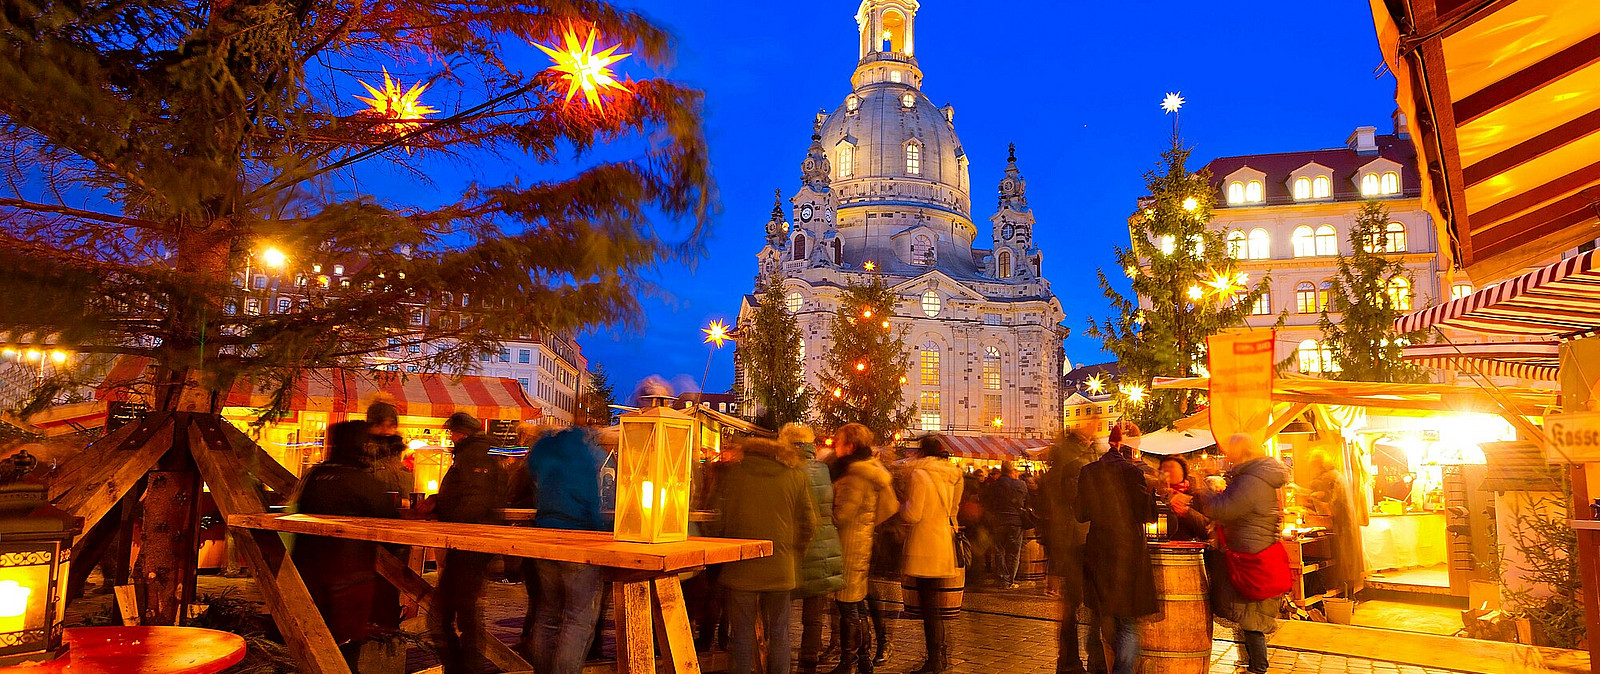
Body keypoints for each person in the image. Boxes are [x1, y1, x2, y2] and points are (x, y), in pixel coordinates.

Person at [1171, 434, 1291, 674]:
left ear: (1242, 452)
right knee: (1247, 616)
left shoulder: (1251, 480)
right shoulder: (1254, 476)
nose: (1227, 455)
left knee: (1252, 618)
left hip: (1250, 556)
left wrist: (1201, 489)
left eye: (1230, 451)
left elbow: (1222, 508)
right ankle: (1251, 664)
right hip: (1251, 552)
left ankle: (1257, 668)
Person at [291, 420, 400, 672]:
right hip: (350, 577)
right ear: (361, 445)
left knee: (316, 639)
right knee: (346, 646)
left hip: (309, 571)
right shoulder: (361, 481)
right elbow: (390, 524)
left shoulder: (316, 476)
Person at [709, 437, 817, 674]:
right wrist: (792, 552)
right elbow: (809, 524)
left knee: (741, 635)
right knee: (779, 634)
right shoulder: (795, 475)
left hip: (741, 565)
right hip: (781, 566)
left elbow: (716, 520)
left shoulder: (733, 475)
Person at [428, 412, 507, 674]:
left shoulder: (474, 455)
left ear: (462, 432)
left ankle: (464, 667)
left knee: (454, 610)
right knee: (456, 609)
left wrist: (451, 521)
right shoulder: (475, 454)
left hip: (469, 541)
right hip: (468, 541)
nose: (451, 437)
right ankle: (462, 666)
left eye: (453, 432)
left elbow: (475, 500)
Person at [1076, 421, 1157, 674]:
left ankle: (1100, 666)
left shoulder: (1088, 471)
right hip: (1128, 551)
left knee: (1103, 616)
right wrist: (1153, 492)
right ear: (1131, 445)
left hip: (1099, 549)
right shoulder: (1134, 473)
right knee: (1128, 623)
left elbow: (1080, 513)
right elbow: (1148, 515)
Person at [526, 425, 607, 674]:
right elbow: (591, 500)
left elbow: (531, 468)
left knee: (547, 614)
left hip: (546, 533)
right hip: (578, 538)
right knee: (578, 619)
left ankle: (541, 670)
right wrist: (600, 532)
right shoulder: (586, 454)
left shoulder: (546, 448)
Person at [829, 423, 898, 674]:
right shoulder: (871, 469)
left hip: (848, 544)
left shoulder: (855, 474)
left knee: (848, 606)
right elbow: (889, 506)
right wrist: (868, 524)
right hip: (861, 541)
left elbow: (842, 515)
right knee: (856, 604)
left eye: (839, 441)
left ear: (850, 445)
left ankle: (849, 662)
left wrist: (825, 512)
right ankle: (863, 660)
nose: (835, 445)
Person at [1037, 430, 1102, 674]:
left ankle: (1068, 661)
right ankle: (1092, 660)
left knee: (1070, 609)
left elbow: (1048, 516)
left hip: (1065, 545)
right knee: (1095, 605)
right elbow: (1081, 507)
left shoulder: (1054, 470)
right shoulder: (1079, 466)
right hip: (1082, 542)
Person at [781, 424, 845, 674]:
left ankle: (780, 658)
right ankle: (808, 662)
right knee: (814, 615)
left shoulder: (786, 469)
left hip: (794, 546)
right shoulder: (822, 470)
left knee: (780, 611)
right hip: (823, 545)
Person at [899, 435, 963, 674]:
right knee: (934, 605)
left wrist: (901, 507)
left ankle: (934, 659)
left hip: (923, 545)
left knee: (929, 608)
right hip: (943, 542)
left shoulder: (920, 475)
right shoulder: (953, 476)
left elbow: (914, 514)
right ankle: (940, 654)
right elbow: (953, 511)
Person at [505, 422, 551, 658]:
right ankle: (533, 643)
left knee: (538, 595)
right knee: (542, 596)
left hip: (533, 537)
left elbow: (513, 495)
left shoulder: (528, 468)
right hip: (546, 537)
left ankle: (531, 643)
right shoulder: (551, 467)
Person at [1300, 450, 1362, 596]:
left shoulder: (1330, 477)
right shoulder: (1335, 476)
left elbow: (1330, 507)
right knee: (1347, 563)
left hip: (1342, 526)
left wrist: (1313, 498)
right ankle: (1348, 595)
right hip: (1344, 525)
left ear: (1318, 465)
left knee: (1346, 562)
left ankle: (1346, 597)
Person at [985, 461, 1028, 588]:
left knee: (999, 550)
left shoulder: (994, 485)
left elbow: (988, 502)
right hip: (1016, 521)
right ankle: (1010, 580)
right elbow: (1027, 500)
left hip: (999, 521)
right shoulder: (1021, 485)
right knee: (1014, 552)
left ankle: (1002, 579)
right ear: (1012, 470)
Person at [366, 394, 412, 500]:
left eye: (390, 425)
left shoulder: (396, 456)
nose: (385, 430)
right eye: (379, 425)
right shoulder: (364, 457)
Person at [1158, 456, 1210, 542]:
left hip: (1190, 550)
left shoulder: (1197, 495)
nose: (1167, 471)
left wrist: (1188, 512)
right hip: (1160, 551)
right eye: (1164, 467)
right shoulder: (1157, 495)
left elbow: (1208, 530)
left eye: (1172, 467)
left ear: (1183, 472)